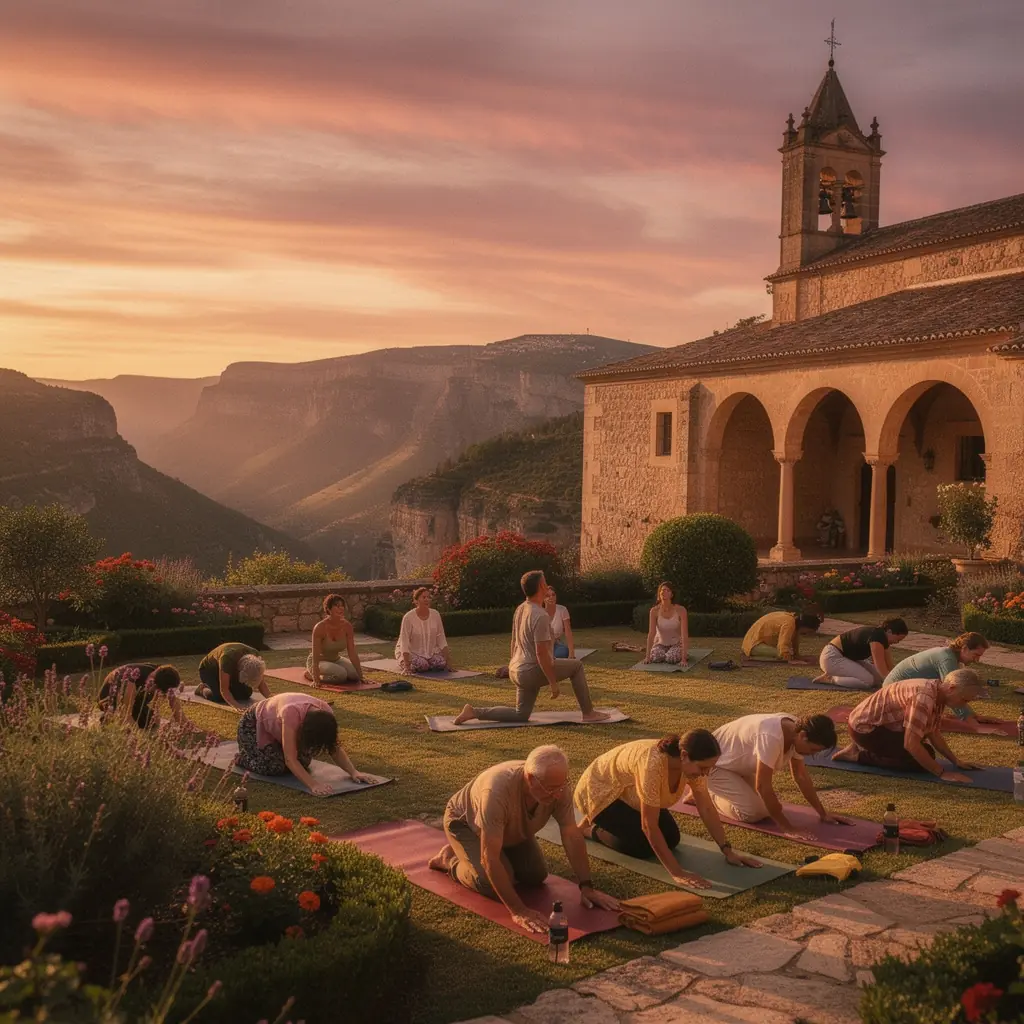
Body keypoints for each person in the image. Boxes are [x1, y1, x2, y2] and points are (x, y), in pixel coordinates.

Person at [428, 745, 620, 932]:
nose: (557, 795)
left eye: (562, 786)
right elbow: (490, 858)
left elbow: (571, 834)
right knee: (490, 884)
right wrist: (518, 910)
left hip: (509, 829)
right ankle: (450, 860)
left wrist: (587, 887)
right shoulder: (496, 792)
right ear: (530, 779)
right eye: (551, 789)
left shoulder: (558, 787)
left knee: (535, 875)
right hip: (467, 825)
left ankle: (491, 849)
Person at [574, 732, 763, 889]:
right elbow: (648, 825)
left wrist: (727, 850)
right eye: (703, 767)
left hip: (627, 793)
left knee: (671, 838)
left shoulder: (691, 767)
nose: (705, 773)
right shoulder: (653, 765)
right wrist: (677, 873)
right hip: (599, 791)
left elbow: (705, 807)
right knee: (640, 846)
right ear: (684, 755)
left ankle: (598, 821)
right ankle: (590, 828)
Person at [453, 571, 609, 725]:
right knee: (577, 666)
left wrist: (512, 666)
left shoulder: (521, 608)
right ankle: (589, 713)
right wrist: (553, 683)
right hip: (529, 671)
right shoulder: (540, 615)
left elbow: (514, 642)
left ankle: (474, 712)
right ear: (541, 586)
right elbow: (541, 654)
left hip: (516, 670)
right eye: (545, 582)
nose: (547, 585)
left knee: (520, 714)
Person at [704, 713, 845, 840]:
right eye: (813, 749)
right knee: (753, 813)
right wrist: (787, 828)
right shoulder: (771, 737)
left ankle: (713, 790)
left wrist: (823, 813)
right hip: (713, 766)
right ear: (803, 736)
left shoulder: (797, 730)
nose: (812, 754)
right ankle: (706, 794)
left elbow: (800, 776)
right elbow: (762, 786)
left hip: (736, 767)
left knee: (767, 808)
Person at [833, 668, 989, 782]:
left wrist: (956, 761)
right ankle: (857, 755)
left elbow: (933, 732)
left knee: (925, 751)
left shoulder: (937, 691)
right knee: (916, 761)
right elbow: (910, 744)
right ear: (952, 688)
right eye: (964, 699)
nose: (964, 704)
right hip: (865, 730)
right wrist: (941, 773)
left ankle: (861, 748)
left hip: (876, 725)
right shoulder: (924, 697)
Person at [235, 691, 373, 795]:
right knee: (274, 768)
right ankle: (243, 758)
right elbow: (290, 759)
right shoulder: (290, 714)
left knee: (303, 763)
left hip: (279, 723)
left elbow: (334, 747)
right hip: (253, 723)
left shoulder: (326, 713)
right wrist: (313, 784)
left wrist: (354, 772)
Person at [883, 632, 1001, 731]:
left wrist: (974, 716)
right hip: (893, 695)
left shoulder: (950, 656)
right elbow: (955, 692)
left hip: (897, 691)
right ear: (964, 648)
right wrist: (969, 720)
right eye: (976, 655)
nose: (977, 660)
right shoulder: (947, 659)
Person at [814, 618, 909, 690]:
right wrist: (895, 686)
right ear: (889, 631)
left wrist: (899, 679)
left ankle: (834, 675)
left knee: (877, 679)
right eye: (897, 639)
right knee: (867, 681)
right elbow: (881, 668)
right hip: (832, 658)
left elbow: (889, 666)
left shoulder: (883, 639)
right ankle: (831, 678)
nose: (897, 642)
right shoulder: (877, 637)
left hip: (847, 658)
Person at [98, 663, 187, 730]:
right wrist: (137, 736)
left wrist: (185, 724)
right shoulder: (130, 680)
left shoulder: (162, 673)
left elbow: (174, 703)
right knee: (123, 724)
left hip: (137, 699)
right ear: (155, 685)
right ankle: (108, 717)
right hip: (110, 697)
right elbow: (126, 716)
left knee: (150, 722)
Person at [307, 594, 365, 685]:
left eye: (342, 606)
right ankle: (311, 675)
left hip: (336, 659)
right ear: (329, 609)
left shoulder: (347, 626)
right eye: (337, 606)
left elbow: (352, 653)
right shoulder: (320, 627)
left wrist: (361, 677)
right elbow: (315, 655)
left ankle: (337, 671)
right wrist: (315, 678)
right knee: (341, 675)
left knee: (355, 675)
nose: (341, 608)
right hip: (319, 661)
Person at [396, 588, 453, 673]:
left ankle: (428, 663)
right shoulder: (408, 617)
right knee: (422, 665)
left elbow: (441, 638)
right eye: (424, 597)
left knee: (440, 664)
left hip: (430, 653)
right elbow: (404, 642)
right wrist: (407, 665)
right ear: (416, 601)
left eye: (428, 597)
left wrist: (448, 662)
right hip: (412, 652)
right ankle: (403, 662)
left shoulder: (435, 614)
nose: (427, 599)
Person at [198, 642, 269, 711]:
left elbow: (260, 682)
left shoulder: (256, 658)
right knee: (218, 696)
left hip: (231, 667)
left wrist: (271, 699)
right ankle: (202, 689)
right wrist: (236, 705)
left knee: (246, 694)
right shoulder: (227, 659)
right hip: (209, 670)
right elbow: (224, 690)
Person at [742, 611, 822, 664]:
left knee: (787, 652)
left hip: (757, 642)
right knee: (782, 654)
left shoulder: (793, 621)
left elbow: (794, 641)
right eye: (809, 631)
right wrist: (791, 659)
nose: (808, 634)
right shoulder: (789, 624)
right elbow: (783, 645)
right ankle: (753, 657)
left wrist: (797, 656)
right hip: (754, 645)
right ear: (805, 626)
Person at [644, 582, 689, 665]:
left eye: (667, 590)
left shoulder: (681, 610)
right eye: (662, 590)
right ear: (659, 593)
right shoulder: (654, 611)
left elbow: (684, 634)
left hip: (676, 643)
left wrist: (684, 658)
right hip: (660, 644)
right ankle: (664, 654)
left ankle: (678, 653)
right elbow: (651, 633)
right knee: (655, 657)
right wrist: (647, 657)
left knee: (671, 658)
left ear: (672, 594)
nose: (664, 592)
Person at [544, 587, 575, 659]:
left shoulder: (562, 610)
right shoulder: (539, 612)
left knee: (563, 652)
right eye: (547, 596)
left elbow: (568, 631)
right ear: (543, 598)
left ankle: (550, 656)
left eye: (553, 594)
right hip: (542, 644)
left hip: (556, 644)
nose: (551, 597)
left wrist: (571, 652)